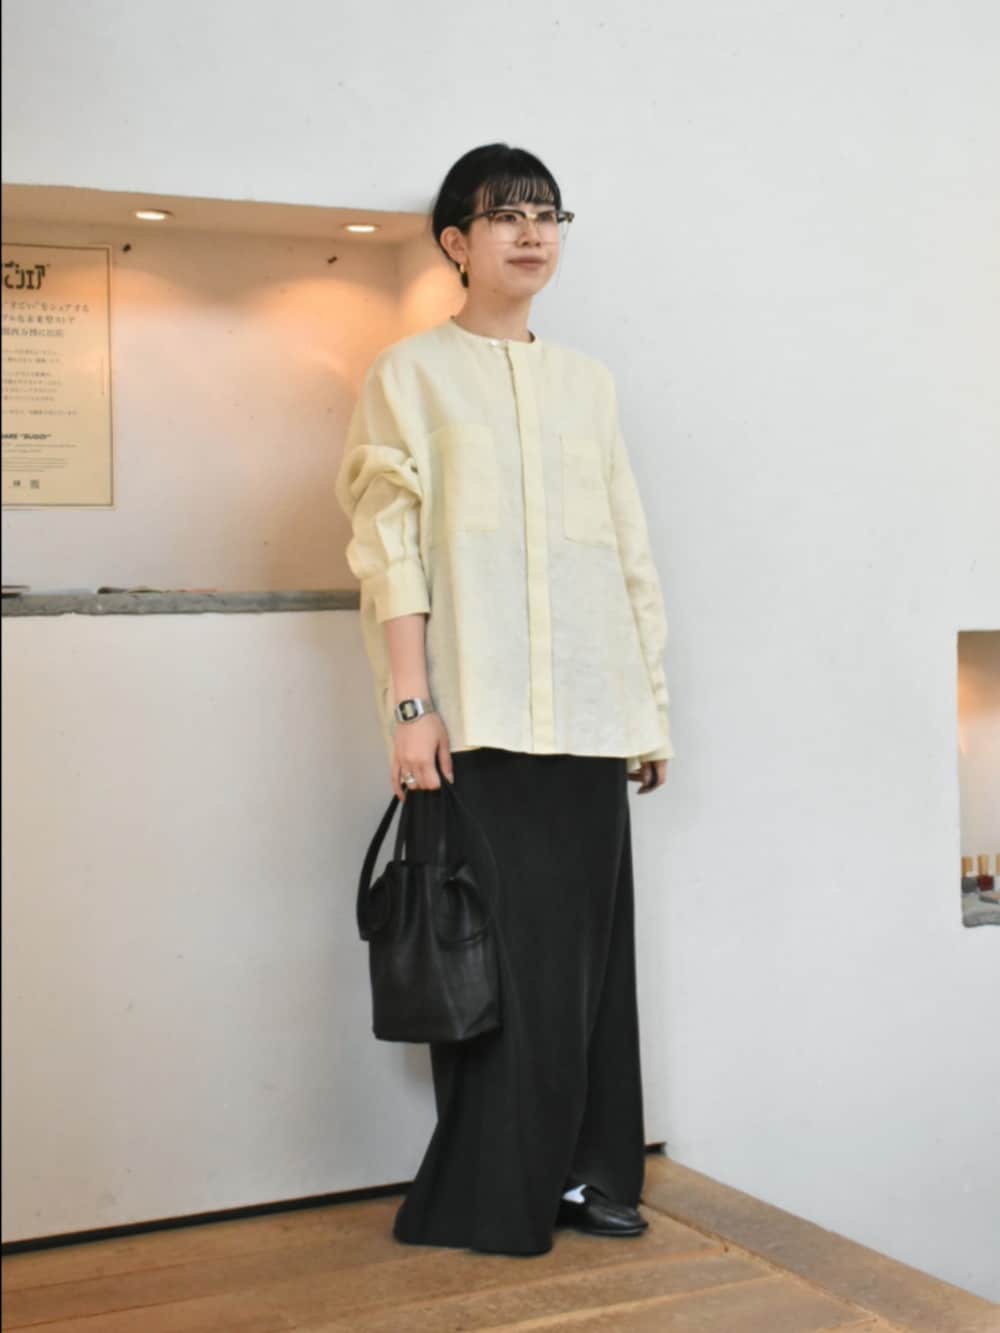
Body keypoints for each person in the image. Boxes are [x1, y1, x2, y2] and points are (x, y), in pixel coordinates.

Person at [334, 143, 675, 1257]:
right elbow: (389, 551)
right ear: (456, 241)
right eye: (505, 215)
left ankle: (592, 1171)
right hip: (473, 717)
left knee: (592, 963)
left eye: (548, 214)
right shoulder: (408, 376)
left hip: (590, 715)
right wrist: (410, 707)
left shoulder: (589, 383)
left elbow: (625, 550)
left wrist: (649, 708)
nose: (532, 233)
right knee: (494, 963)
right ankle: (494, 1188)